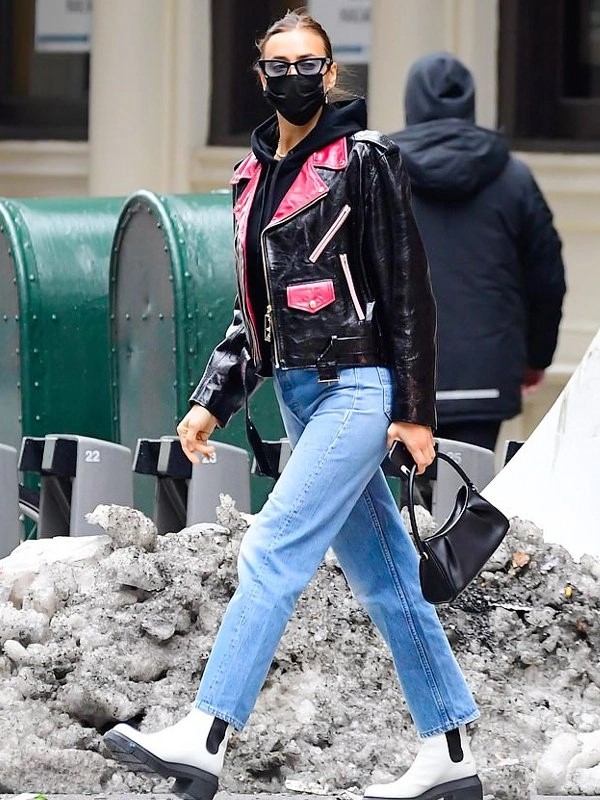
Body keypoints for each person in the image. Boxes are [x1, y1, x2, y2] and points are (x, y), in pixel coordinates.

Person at [103, 13, 482, 800]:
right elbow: (258, 308)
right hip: (303, 399)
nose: (294, 75)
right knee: (388, 582)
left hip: (359, 387)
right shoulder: (250, 177)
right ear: (260, 74)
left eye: (308, 62)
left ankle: (207, 735)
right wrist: (214, 396)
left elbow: (407, 289)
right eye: (278, 63)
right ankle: (450, 751)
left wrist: (415, 408)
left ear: (332, 71)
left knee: (271, 550)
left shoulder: (366, 162)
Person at [390, 53, 567, 452]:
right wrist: (537, 356)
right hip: (487, 375)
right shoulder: (513, 177)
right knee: (471, 497)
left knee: (403, 505)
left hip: (402, 377)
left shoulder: (382, 172)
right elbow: (547, 279)